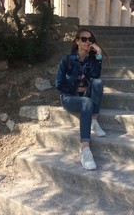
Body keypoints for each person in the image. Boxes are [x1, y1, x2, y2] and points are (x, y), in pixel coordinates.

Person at [55, 28, 108, 171]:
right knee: (86, 102)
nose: (87, 42)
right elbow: (59, 84)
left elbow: (96, 75)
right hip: (69, 98)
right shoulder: (67, 60)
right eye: (83, 39)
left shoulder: (91, 60)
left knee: (98, 82)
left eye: (90, 40)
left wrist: (98, 54)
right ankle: (85, 149)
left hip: (84, 96)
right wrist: (76, 90)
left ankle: (94, 120)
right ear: (77, 41)